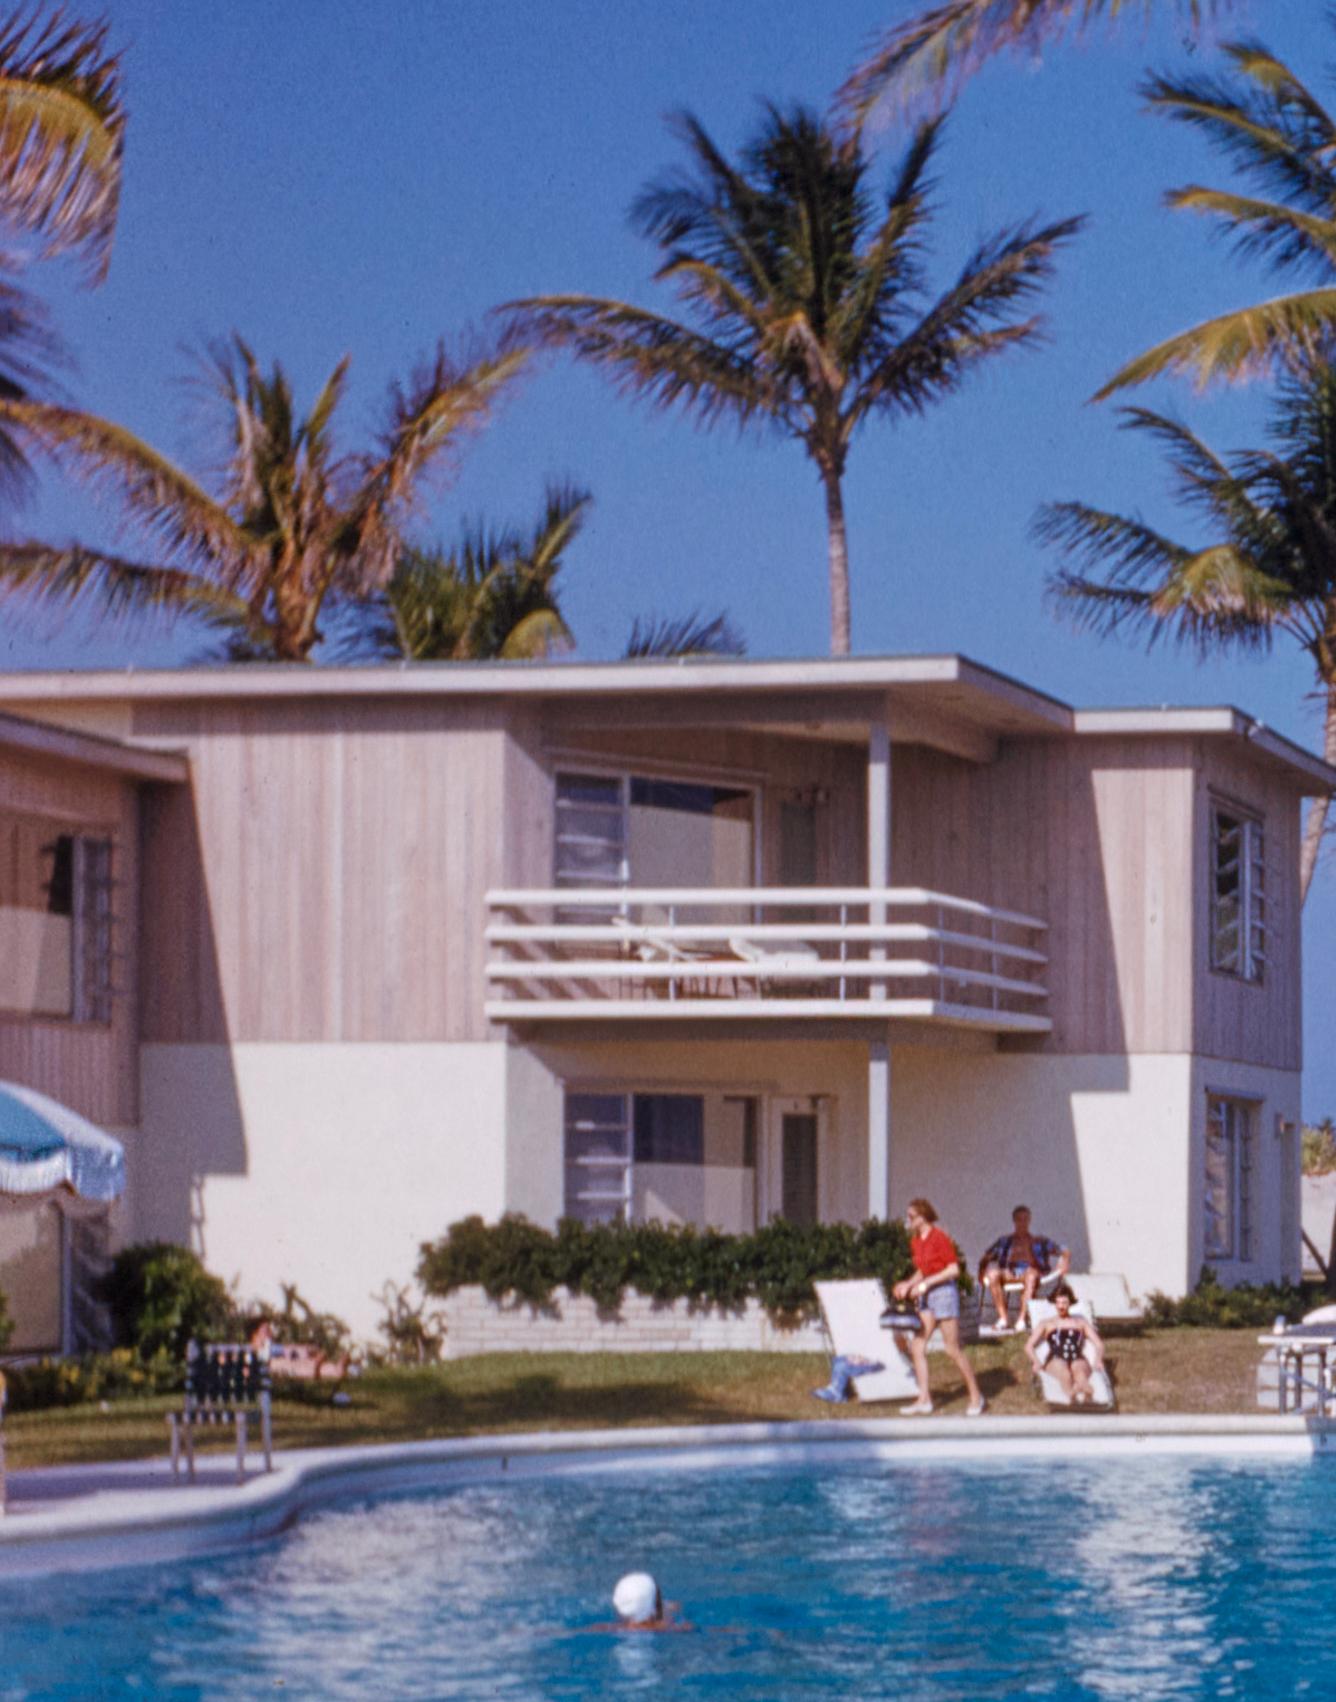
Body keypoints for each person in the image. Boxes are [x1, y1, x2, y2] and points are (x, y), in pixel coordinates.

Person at [891, 1197, 986, 1417]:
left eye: (911, 1216)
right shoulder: (916, 1241)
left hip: (944, 1294)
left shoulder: (939, 1237)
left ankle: (976, 1396)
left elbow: (953, 1270)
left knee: (952, 1349)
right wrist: (908, 1284)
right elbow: (923, 1270)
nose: (908, 1220)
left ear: (923, 1216)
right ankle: (924, 1399)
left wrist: (926, 1284)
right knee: (917, 1346)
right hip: (928, 1296)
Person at [977, 1205, 1070, 1335]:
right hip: (1009, 1272)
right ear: (1014, 1221)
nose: (1023, 1222)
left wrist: (1064, 1261)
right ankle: (1003, 1319)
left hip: (1030, 1272)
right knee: (992, 1274)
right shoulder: (1005, 1241)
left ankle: (1021, 1320)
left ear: (1029, 1220)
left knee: (1031, 1275)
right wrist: (981, 1271)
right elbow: (987, 1256)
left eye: (1025, 1219)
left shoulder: (1038, 1241)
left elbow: (1063, 1249)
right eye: (1019, 1219)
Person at [1025, 1280, 1104, 1404]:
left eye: (1064, 1303)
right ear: (1054, 1303)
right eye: (1058, 1303)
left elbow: (1099, 1344)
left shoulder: (1080, 1322)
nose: (1061, 1306)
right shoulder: (1047, 1323)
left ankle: (1087, 1392)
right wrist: (1036, 1362)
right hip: (1055, 1358)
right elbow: (1029, 1346)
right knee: (1065, 1374)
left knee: (1080, 1374)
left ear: (1070, 1303)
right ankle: (1072, 1395)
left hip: (1078, 1357)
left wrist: (1098, 1359)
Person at [812, 1353, 884, 1403]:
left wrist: (859, 1361)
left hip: (870, 1365)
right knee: (838, 1362)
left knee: (842, 1367)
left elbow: (875, 1365)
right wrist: (849, 1358)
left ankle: (837, 1393)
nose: (857, 1358)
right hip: (863, 1363)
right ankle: (834, 1388)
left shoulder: (872, 1364)